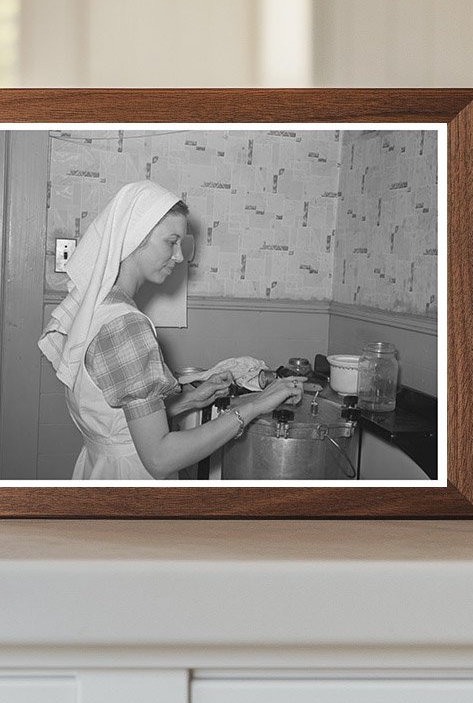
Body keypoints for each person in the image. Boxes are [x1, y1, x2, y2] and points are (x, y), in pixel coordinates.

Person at [38, 180, 302, 479]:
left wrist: (188, 399)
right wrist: (255, 405)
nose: (179, 256)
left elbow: (117, 423)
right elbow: (160, 457)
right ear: (134, 238)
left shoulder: (96, 310)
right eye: (170, 241)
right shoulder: (126, 325)